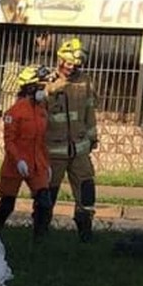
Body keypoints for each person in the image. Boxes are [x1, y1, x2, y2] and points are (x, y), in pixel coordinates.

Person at [44, 37, 99, 242]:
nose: (72, 68)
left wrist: (93, 137)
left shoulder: (84, 81)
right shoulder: (47, 83)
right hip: (53, 152)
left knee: (86, 190)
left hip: (79, 150)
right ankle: (41, 232)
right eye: (68, 63)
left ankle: (85, 233)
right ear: (60, 60)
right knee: (47, 194)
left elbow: (89, 111)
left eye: (76, 65)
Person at [0, 65, 53, 240]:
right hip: (15, 164)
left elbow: (42, 141)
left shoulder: (41, 111)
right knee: (6, 204)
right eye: (41, 86)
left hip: (37, 163)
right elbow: (9, 142)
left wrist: (46, 164)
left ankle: (39, 240)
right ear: (30, 87)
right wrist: (18, 161)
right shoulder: (14, 112)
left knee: (44, 202)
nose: (44, 90)